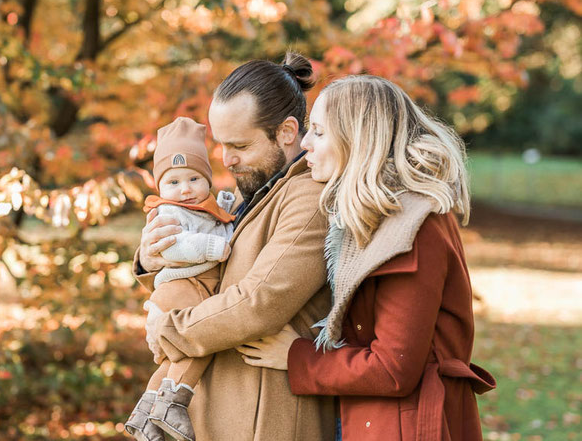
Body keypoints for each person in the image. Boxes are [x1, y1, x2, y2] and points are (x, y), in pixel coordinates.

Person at [235, 75, 496, 440]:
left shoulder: (414, 227)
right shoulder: (367, 216)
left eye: (320, 132)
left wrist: (297, 356)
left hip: (408, 426)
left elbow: (393, 368)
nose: (305, 143)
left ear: (359, 139)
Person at [132, 53, 336, 440]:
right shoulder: (256, 191)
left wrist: (168, 330)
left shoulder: (307, 198)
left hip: (269, 417)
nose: (227, 160)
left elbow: (259, 302)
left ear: (287, 132)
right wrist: (150, 258)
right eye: (222, 145)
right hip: (224, 409)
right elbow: (214, 276)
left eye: (240, 145)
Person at [124, 117, 235, 441]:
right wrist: (211, 246)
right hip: (180, 289)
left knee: (178, 356)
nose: (185, 188)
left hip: (190, 290)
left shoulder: (202, 207)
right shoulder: (169, 213)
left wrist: (225, 208)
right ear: (160, 187)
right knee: (200, 344)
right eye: (173, 182)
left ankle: (146, 412)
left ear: (207, 180)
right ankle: (173, 404)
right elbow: (175, 246)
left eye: (194, 178)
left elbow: (219, 221)